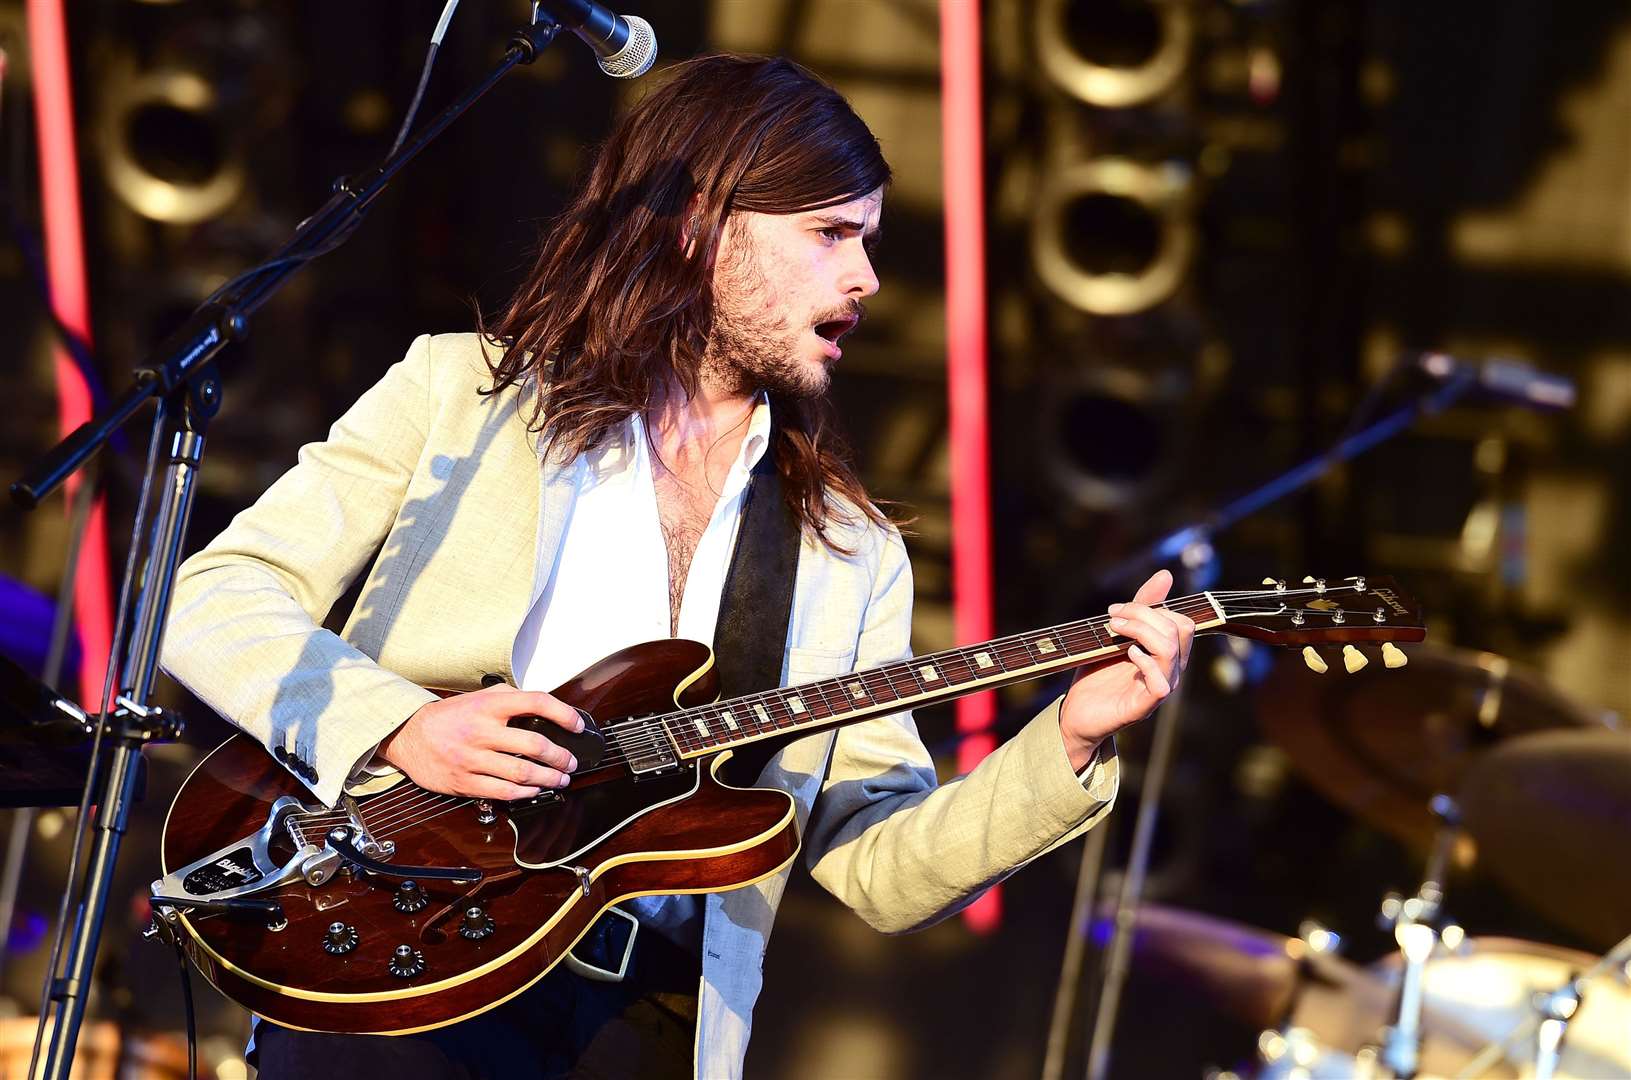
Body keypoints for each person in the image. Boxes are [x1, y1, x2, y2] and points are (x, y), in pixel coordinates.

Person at [161, 53, 1194, 1080]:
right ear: (701, 222)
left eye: (868, 241)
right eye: (830, 233)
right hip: (399, 954)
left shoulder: (847, 548)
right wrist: (398, 724)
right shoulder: (459, 395)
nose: (865, 279)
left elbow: (877, 867)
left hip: (643, 1021)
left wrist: (1065, 736)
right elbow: (210, 596)